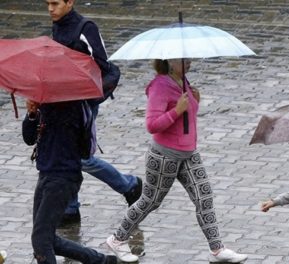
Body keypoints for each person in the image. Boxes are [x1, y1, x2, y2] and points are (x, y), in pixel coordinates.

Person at [105, 58, 248, 263]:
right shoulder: (160, 86)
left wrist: (194, 102)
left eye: (189, 58)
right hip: (165, 155)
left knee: (204, 197)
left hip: (188, 153)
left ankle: (217, 249)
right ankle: (117, 239)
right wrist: (176, 110)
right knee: (151, 201)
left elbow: (187, 121)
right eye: (183, 59)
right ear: (169, 62)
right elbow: (152, 125)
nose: (188, 62)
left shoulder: (183, 82)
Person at [45, 0, 142, 225]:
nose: (50, 8)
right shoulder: (57, 25)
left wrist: (88, 98)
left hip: (84, 103)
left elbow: (104, 66)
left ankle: (129, 185)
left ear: (70, 2)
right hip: (63, 102)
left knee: (81, 158)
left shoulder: (85, 28)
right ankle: (70, 208)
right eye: (47, 3)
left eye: (55, 3)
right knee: (68, 154)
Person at [22, 94, 116, 263]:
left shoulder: (72, 106)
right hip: (45, 174)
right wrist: (32, 114)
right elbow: (29, 138)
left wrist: (46, 109)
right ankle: (101, 261)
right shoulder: (45, 104)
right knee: (50, 240)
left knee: (41, 240)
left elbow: (81, 144)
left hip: (63, 178)